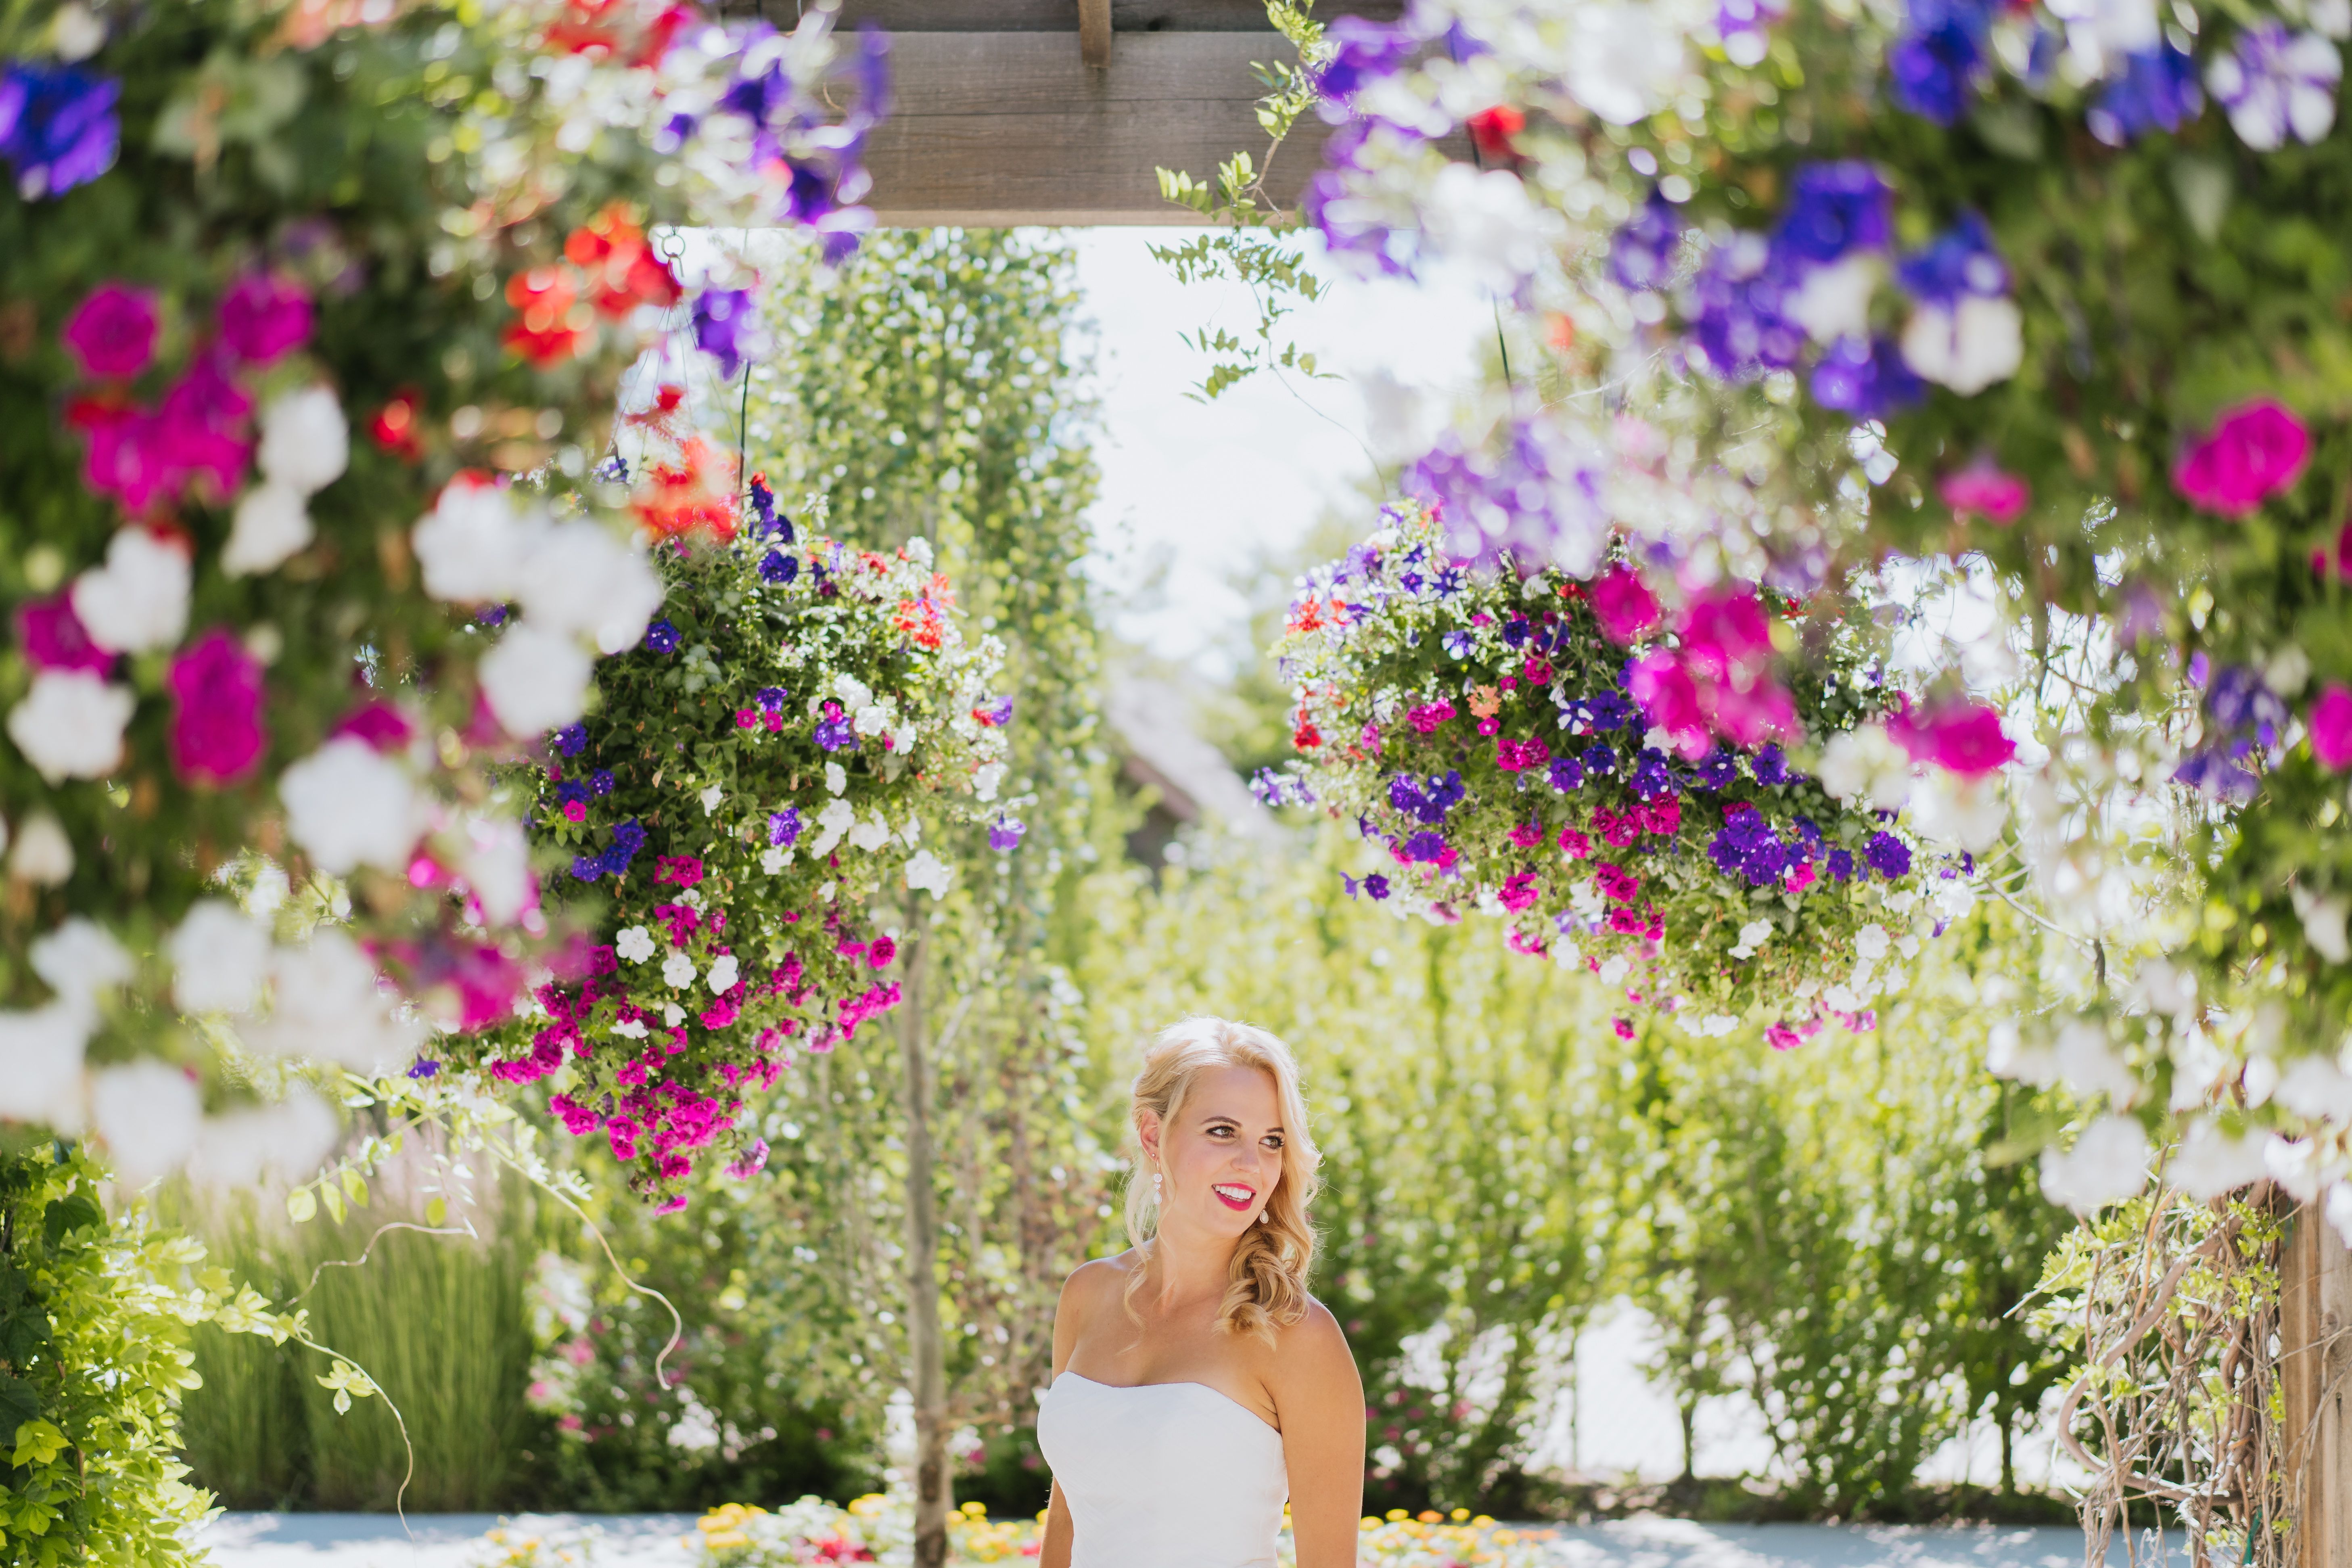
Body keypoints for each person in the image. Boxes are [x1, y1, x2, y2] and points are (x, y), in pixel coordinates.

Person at [1036, 1016, 1365, 1568]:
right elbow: (1068, 1516)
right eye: (1222, 1131)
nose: (1250, 1162)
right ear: (1151, 1135)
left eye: (1271, 1140)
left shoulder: (1296, 1334)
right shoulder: (1087, 1294)